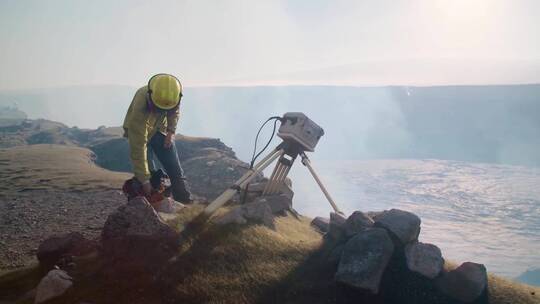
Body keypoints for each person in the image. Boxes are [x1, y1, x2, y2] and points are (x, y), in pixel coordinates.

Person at [122, 73, 192, 203]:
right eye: (158, 108)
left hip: (160, 130)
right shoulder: (141, 105)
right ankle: (148, 208)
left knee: (175, 171)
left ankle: (186, 207)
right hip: (140, 133)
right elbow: (139, 147)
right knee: (149, 174)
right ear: (150, 97)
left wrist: (171, 132)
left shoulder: (173, 95)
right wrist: (145, 181)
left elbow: (174, 112)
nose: (161, 111)